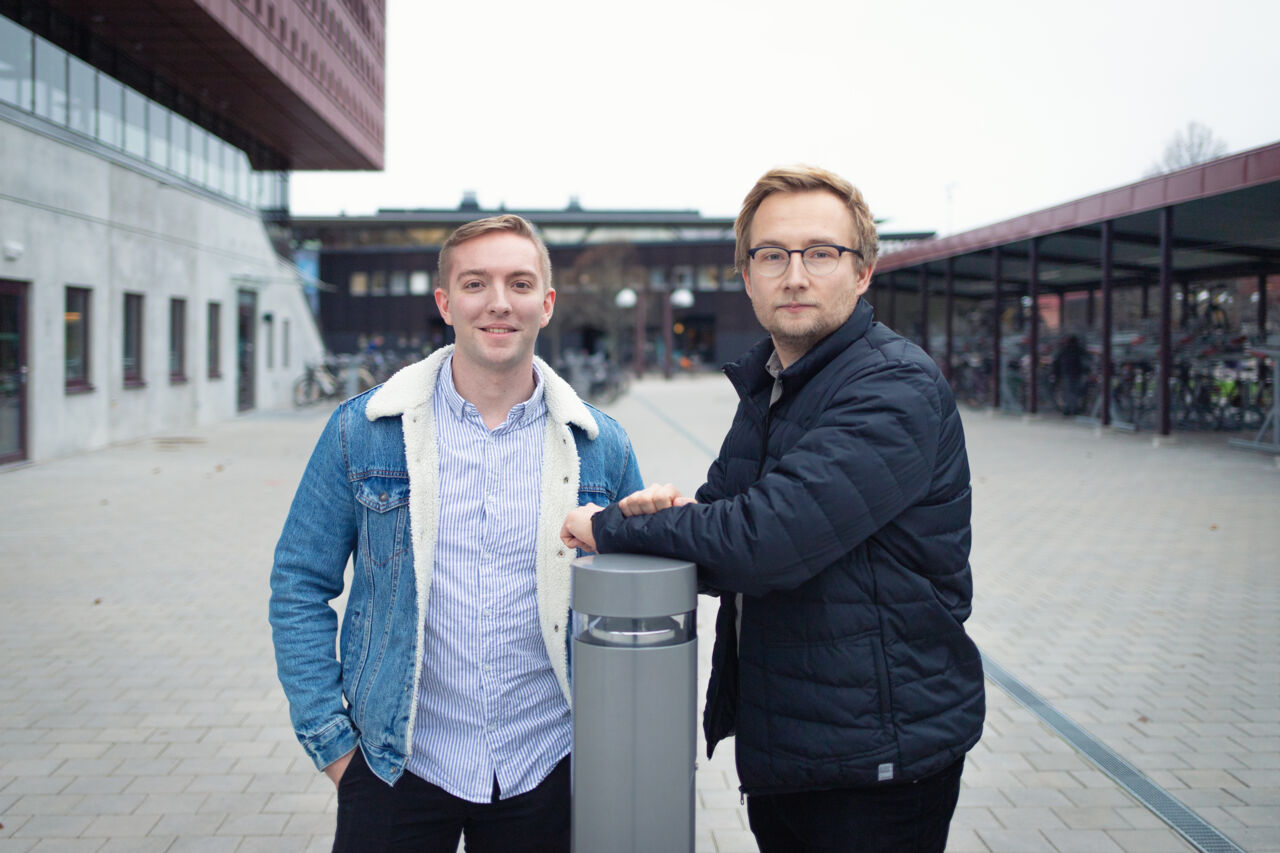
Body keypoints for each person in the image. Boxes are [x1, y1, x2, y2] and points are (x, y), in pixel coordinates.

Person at [562, 166, 985, 853]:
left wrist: (612, 528)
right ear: (747, 276)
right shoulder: (775, 384)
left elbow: (764, 541)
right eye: (772, 255)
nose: (794, 275)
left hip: (877, 765)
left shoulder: (894, 385)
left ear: (863, 272)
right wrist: (664, 514)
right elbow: (727, 516)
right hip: (791, 746)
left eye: (820, 253)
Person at [271, 214, 644, 852]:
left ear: (546, 304)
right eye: (476, 284)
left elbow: (632, 606)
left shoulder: (601, 445)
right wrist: (334, 747)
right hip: (396, 763)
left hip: (547, 764)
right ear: (445, 304)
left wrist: (662, 531)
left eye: (520, 283)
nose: (499, 303)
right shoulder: (364, 430)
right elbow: (299, 583)